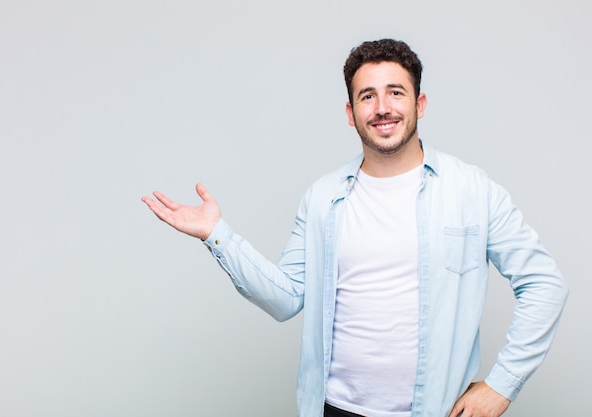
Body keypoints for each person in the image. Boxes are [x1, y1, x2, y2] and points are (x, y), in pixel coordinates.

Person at [142, 39, 568, 417]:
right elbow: (286, 298)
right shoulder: (324, 196)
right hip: (335, 410)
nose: (382, 107)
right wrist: (218, 235)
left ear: (419, 104)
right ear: (351, 113)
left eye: (395, 93)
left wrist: (501, 386)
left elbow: (545, 284)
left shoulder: (473, 190)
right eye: (368, 96)